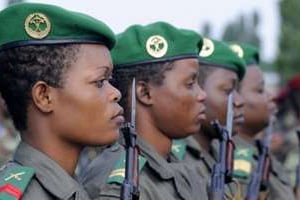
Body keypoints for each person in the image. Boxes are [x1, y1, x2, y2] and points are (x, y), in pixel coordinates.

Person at [0, 2, 123, 199]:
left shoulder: (72, 189)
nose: (116, 93)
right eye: (100, 82)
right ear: (44, 96)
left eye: (111, 81)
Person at [80, 22, 208, 200]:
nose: (202, 95)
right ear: (145, 93)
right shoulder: (120, 182)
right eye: (190, 84)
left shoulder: (181, 169)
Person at [171, 38, 246, 200]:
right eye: (228, 91)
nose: (239, 101)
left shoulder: (218, 154)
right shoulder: (178, 161)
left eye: (238, 91)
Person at [231, 43, 295, 200]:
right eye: (259, 90)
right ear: (234, 98)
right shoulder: (236, 162)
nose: (270, 96)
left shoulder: (260, 152)